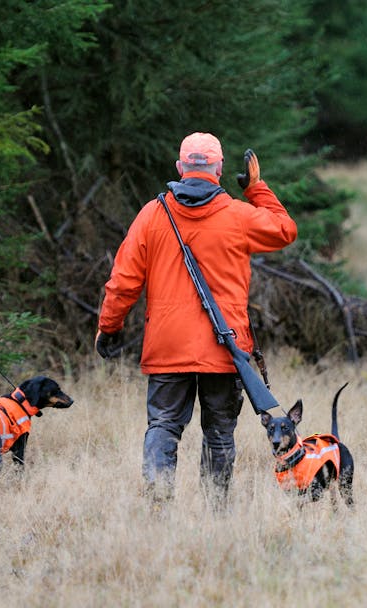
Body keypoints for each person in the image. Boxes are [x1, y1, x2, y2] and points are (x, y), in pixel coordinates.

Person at [95, 132, 298, 506]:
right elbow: (285, 230)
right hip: (224, 349)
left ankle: (158, 501)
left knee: (163, 426)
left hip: (168, 346)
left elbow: (122, 281)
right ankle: (215, 510)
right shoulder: (238, 215)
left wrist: (109, 326)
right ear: (219, 170)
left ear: (180, 167)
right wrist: (257, 188)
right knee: (220, 431)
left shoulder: (152, 215)